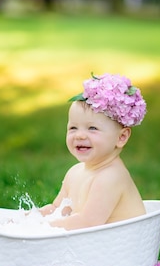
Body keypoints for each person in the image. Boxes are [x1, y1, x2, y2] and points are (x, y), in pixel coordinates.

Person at [38, 74, 147, 230]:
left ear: (121, 137)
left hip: (120, 247)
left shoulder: (111, 177)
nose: (80, 135)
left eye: (92, 128)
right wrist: (32, 217)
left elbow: (87, 223)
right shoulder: (74, 172)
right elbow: (58, 209)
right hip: (94, 247)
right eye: (73, 128)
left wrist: (41, 227)